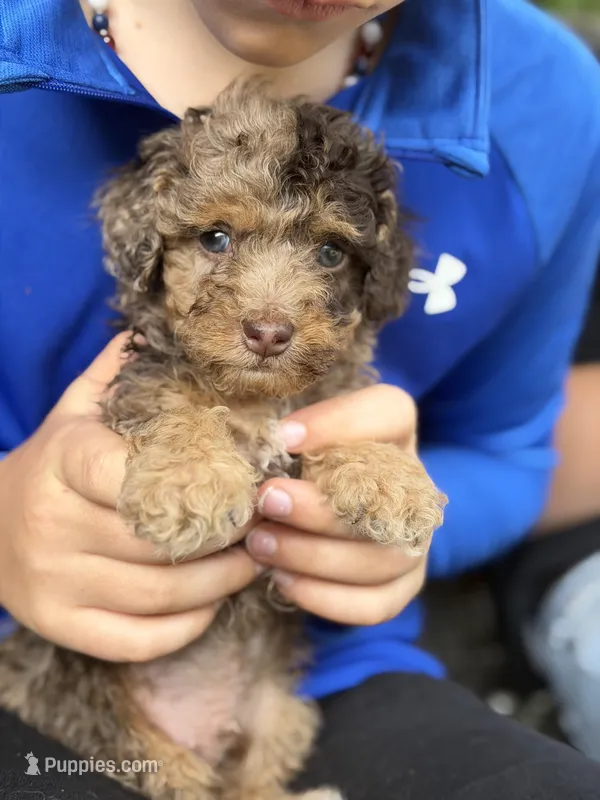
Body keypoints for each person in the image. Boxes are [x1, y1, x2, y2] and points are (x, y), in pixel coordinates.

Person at [0, 1, 600, 798]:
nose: (270, 317)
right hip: (43, 672)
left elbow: (510, 455)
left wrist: (386, 534)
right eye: (216, 239)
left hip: (309, 672)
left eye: (325, 251)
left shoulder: (544, 105)